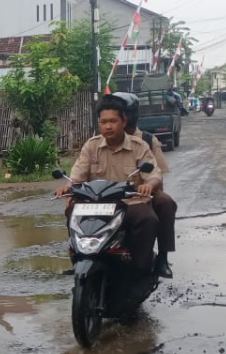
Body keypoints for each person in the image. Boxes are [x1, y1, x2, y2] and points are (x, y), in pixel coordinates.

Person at [57, 95, 162, 275]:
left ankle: (140, 268)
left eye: (113, 121)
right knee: (71, 209)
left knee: (148, 219)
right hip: (96, 205)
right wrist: (68, 186)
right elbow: (77, 175)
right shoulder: (92, 146)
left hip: (129, 204)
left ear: (124, 121)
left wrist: (149, 185)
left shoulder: (139, 146)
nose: (108, 126)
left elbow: (153, 175)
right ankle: (78, 257)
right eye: (103, 121)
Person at [113, 92, 177, 278]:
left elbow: (158, 175)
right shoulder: (100, 140)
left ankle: (162, 258)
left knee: (165, 203)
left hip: (141, 193)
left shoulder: (148, 141)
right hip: (109, 194)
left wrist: (151, 189)